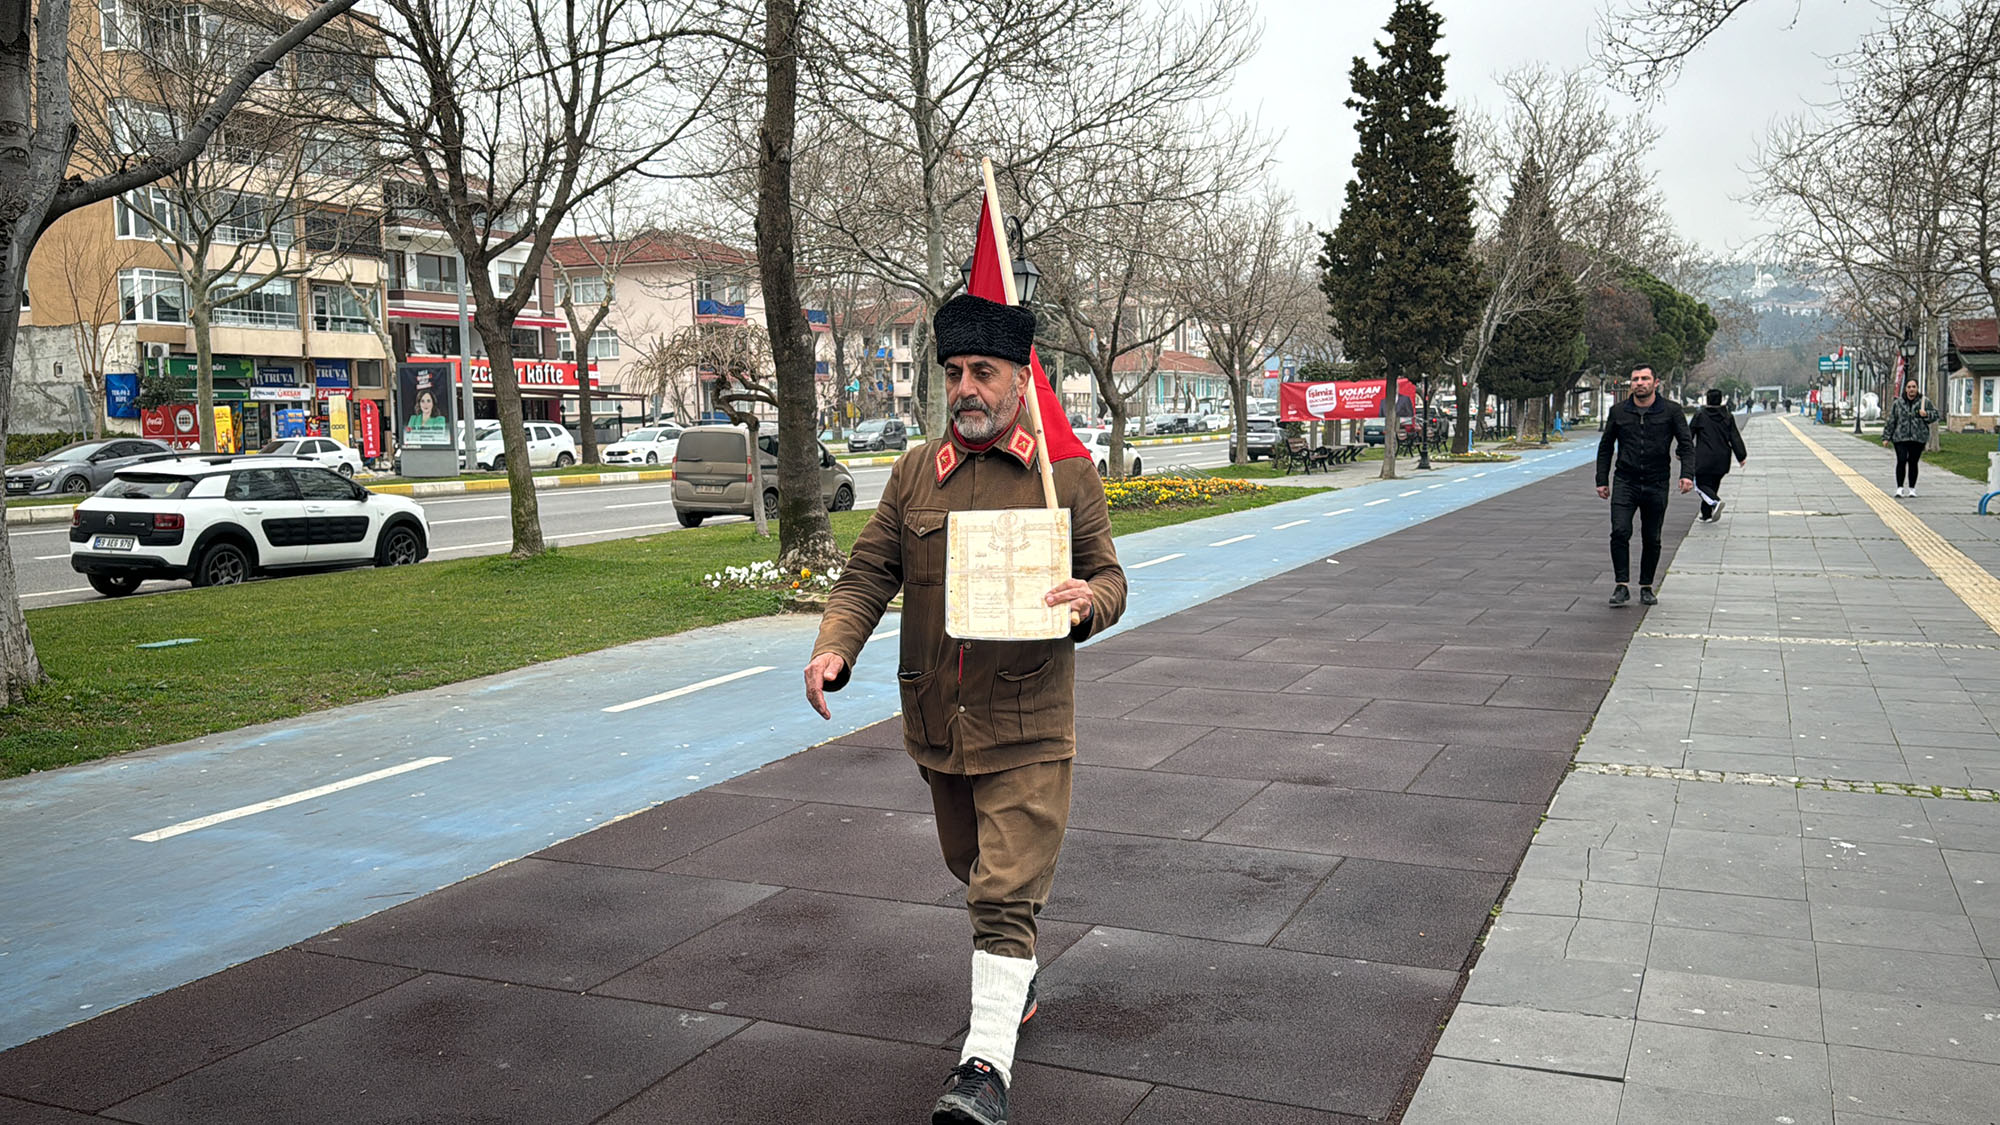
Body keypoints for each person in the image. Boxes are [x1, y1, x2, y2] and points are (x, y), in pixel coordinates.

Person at [803, 293, 1126, 1125]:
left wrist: (1087, 598)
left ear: (1021, 380)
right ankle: (1012, 976)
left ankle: (983, 1070)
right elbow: (872, 570)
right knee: (972, 869)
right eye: (954, 373)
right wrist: (836, 646)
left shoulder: (1066, 473)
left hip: (1028, 722)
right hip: (939, 723)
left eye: (983, 371)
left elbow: (1112, 578)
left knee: (1002, 890)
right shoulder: (916, 471)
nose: (966, 389)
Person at [1595, 364, 1693, 607]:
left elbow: (1686, 444)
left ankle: (1647, 586)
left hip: (1656, 482)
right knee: (1620, 531)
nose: (1639, 383)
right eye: (1635, 379)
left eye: (1645, 379)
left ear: (1655, 382)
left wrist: (1687, 475)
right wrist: (1601, 480)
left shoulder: (1671, 411)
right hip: (1625, 481)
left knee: (1652, 537)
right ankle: (1621, 585)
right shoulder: (1619, 412)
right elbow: (1606, 447)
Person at [1689, 387, 1748, 521]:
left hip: (1704, 457)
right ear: (1721, 400)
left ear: (1707, 399)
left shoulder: (1700, 415)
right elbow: (1734, 437)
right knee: (1713, 485)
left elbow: (1688, 435)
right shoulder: (1727, 416)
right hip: (1723, 457)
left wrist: (1681, 451)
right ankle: (1706, 514)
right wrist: (1741, 456)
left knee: (1701, 485)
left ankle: (1715, 502)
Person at [1881, 377, 1943, 498]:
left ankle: (1912, 488)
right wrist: (1886, 437)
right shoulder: (1898, 403)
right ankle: (1899, 488)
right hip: (1900, 437)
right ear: (1905, 389)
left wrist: (1926, 415)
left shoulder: (1924, 402)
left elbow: (1935, 415)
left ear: (1917, 388)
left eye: (1914, 387)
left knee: (1913, 462)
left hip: (1917, 437)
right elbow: (1891, 420)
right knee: (1902, 460)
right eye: (1909, 387)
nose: (1911, 390)